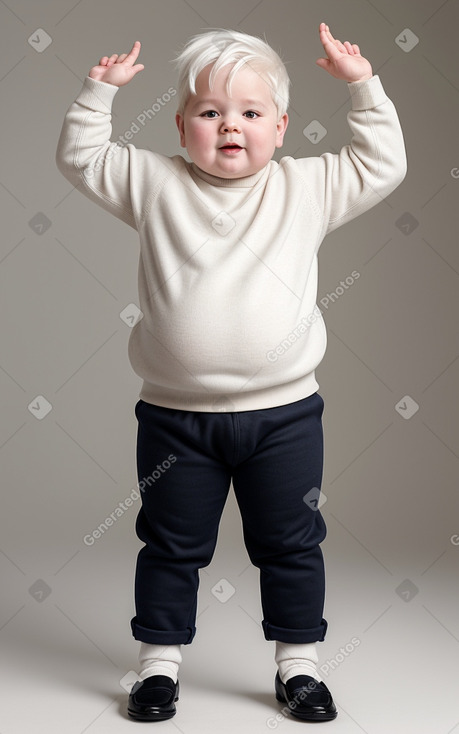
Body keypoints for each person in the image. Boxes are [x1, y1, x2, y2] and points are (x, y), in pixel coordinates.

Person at [55, 23, 406, 722]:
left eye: (249, 113)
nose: (230, 127)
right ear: (181, 126)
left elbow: (380, 163)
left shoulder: (306, 185)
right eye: (210, 113)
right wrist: (99, 92)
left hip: (285, 419)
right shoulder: (153, 182)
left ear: (280, 126)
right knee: (168, 545)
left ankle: (298, 666)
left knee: (291, 544)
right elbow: (82, 158)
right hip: (175, 421)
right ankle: (157, 667)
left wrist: (361, 86)